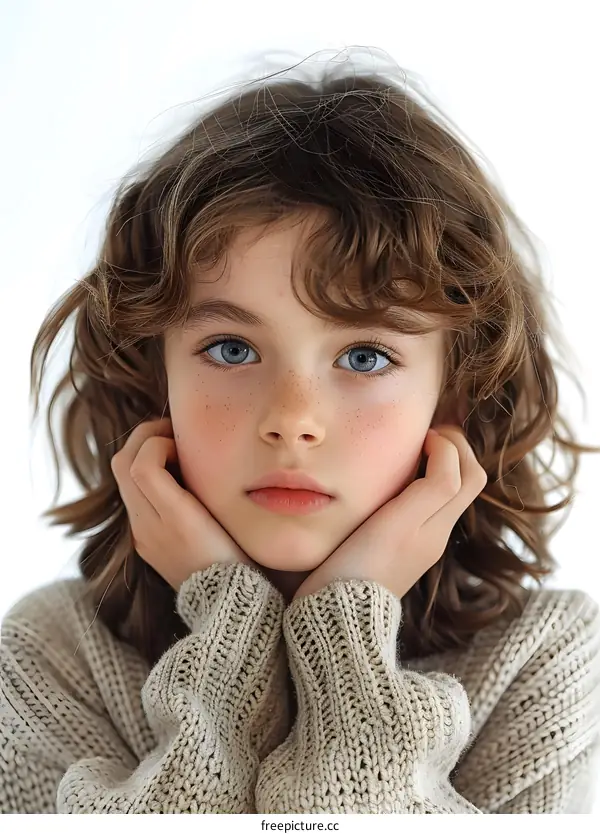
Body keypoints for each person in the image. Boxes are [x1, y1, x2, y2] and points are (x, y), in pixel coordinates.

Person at [1, 51, 599, 814]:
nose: (292, 420)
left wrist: (345, 628)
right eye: (232, 349)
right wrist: (230, 628)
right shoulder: (49, 655)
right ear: (155, 379)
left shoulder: (540, 660)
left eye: (364, 355)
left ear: (456, 394)